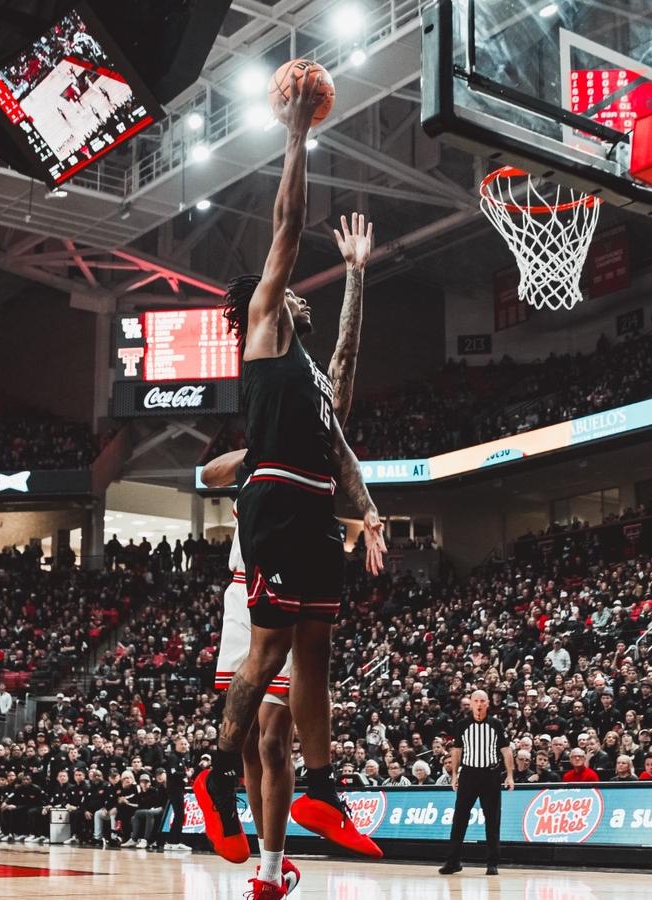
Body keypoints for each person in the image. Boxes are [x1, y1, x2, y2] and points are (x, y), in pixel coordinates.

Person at [193, 65, 388, 887]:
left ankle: (318, 789)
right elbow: (287, 223)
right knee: (273, 646)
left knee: (318, 648)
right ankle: (214, 770)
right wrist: (297, 134)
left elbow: (343, 376)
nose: (292, 296)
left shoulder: (307, 371)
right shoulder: (266, 328)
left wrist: (356, 277)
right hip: (275, 499)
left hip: (314, 507)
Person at [439, 690, 513, 877]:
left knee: (492, 819)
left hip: (490, 774)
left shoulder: (496, 724)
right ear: (471, 703)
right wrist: (455, 775)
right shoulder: (462, 724)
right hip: (469, 775)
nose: (479, 704)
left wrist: (510, 775)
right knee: (460, 819)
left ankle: (492, 862)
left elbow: (506, 751)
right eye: (476, 701)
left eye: (482, 701)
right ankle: (453, 861)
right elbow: (456, 751)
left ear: (488, 703)